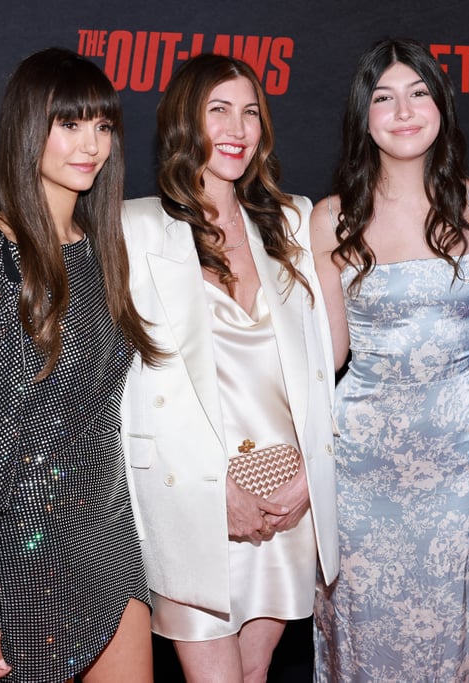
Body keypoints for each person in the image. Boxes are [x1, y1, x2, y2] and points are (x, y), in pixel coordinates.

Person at [0, 48, 162, 682]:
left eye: (103, 127)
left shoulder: (102, 248)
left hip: (106, 535)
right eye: (69, 124)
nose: (91, 145)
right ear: (29, 129)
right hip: (20, 551)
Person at [119, 53, 338, 683]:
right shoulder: (135, 228)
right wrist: (216, 493)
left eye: (250, 112)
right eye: (219, 111)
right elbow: (125, 391)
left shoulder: (293, 220)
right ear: (185, 122)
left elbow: (323, 365)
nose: (237, 128)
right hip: (195, 500)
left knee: (254, 669)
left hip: (287, 496)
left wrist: (310, 477)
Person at [310, 38, 469, 681]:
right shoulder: (331, 219)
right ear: (364, 116)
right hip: (360, 464)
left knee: (444, 631)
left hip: (453, 460)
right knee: (360, 633)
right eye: (384, 97)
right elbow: (329, 354)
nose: (404, 111)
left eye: (419, 93)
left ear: (441, 105)